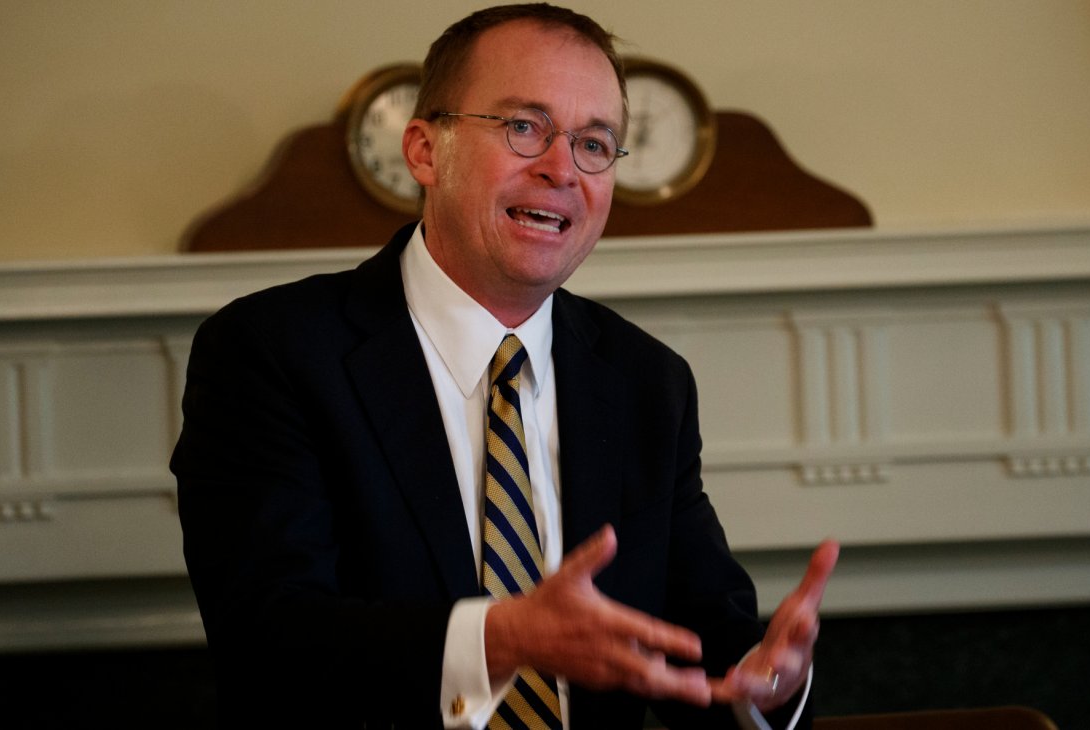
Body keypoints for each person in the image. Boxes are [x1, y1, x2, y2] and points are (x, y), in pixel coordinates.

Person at [172, 4, 839, 729]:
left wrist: (765, 689)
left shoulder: (647, 382)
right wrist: (501, 640)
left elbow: (703, 649)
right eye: (525, 127)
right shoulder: (271, 352)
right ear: (425, 151)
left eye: (594, 144)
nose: (561, 169)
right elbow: (267, 643)